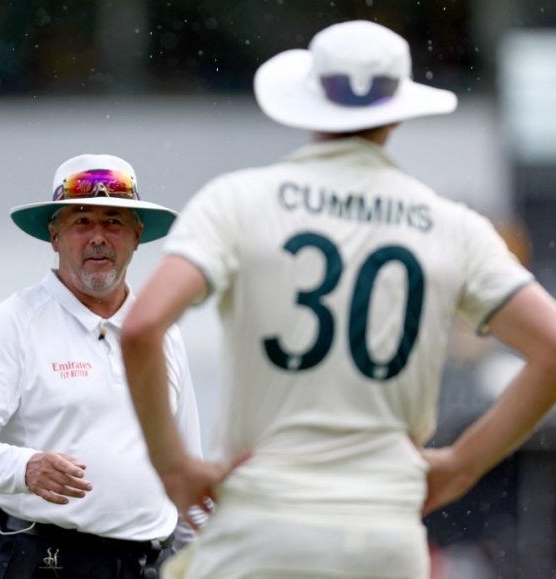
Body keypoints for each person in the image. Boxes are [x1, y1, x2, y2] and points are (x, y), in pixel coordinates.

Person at [120, 20, 556, 579]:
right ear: (397, 111)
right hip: (387, 537)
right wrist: (461, 466)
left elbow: (141, 328)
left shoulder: (238, 201)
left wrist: (174, 468)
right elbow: (548, 350)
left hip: (261, 530)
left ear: (308, 102)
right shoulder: (454, 227)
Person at [0, 153, 203, 578]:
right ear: (55, 236)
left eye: (114, 222)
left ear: (137, 237)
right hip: (44, 562)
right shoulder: (17, 320)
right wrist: (24, 468)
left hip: (152, 564)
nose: (98, 237)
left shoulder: (159, 331)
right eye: (81, 221)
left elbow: (186, 463)